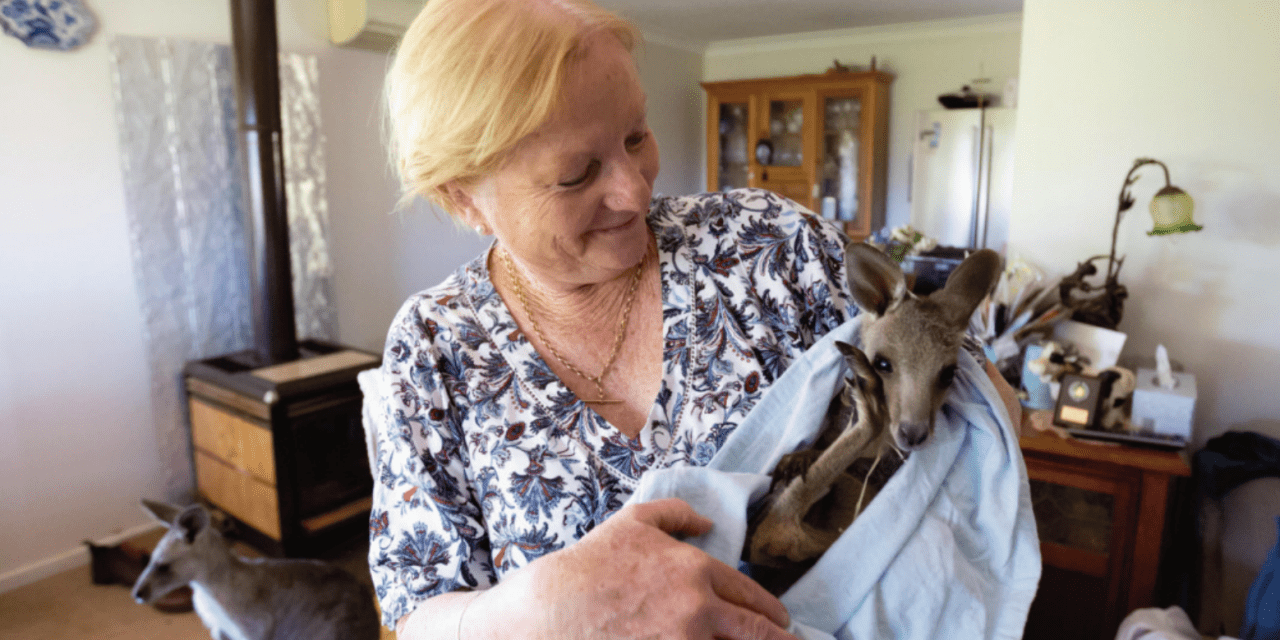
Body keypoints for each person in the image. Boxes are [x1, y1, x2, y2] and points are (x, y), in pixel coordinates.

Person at [368, 1, 1021, 638]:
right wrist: (531, 611)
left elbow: (983, 414)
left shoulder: (769, 245)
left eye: (635, 136)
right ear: (463, 198)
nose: (634, 190)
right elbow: (419, 607)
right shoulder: (432, 350)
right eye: (576, 174)